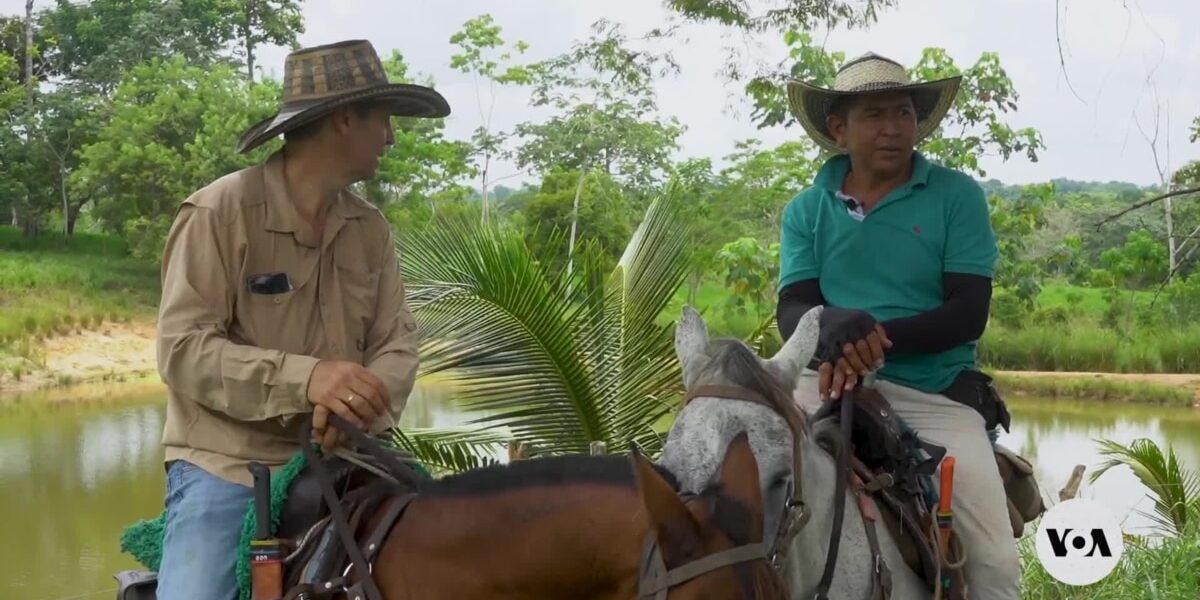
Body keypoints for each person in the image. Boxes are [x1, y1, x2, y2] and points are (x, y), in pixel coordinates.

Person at [153, 39, 451, 600]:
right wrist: (309, 379)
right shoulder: (218, 214)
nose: (390, 136)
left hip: (349, 457)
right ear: (344, 120)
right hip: (230, 464)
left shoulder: (370, 229)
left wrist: (355, 404)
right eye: (382, 120)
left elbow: (397, 346)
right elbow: (182, 349)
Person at [774, 52, 1019, 598]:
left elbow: (967, 312)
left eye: (903, 113)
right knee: (735, 495)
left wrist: (866, 341)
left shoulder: (955, 196)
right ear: (839, 129)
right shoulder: (806, 210)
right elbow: (793, 311)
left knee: (995, 563)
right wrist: (833, 324)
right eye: (875, 115)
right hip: (825, 385)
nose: (893, 129)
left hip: (934, 394)